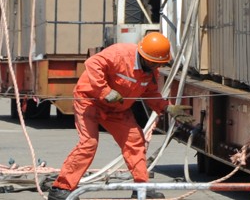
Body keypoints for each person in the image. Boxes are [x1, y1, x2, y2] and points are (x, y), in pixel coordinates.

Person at [47, 33, 191, 200]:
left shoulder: (150, 72)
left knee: (135, 141)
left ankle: (141, 187)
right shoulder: (120, 54)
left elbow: (150, 93)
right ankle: (61, 189)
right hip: (89, 101)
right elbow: (92, 63)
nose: (155, 66)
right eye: (154, 62)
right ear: (144, 56)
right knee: (88, 144)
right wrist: (105, 91)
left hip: (117, 109)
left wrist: (167, 108)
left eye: (158, 63)